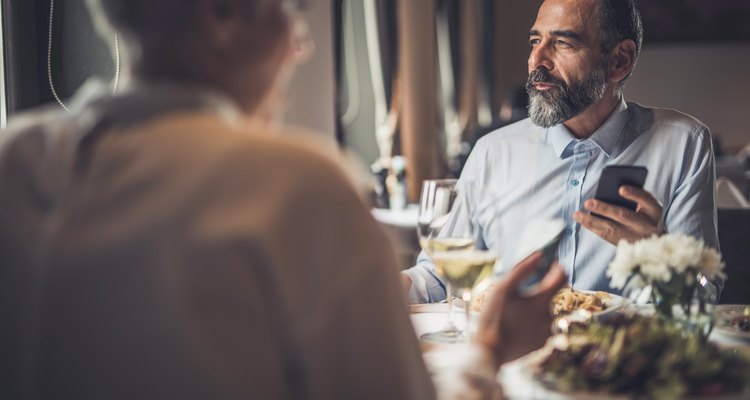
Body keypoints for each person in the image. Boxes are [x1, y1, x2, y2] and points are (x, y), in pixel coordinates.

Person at [0, 0, 566, 398]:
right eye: (292, 12)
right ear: (220, 13)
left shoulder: (14, 159)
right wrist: (490, 346)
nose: (303, 45)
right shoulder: (301, 187)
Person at [403, 0, 720, 303]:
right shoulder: (491, 153)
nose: (536, 61)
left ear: (620, 61)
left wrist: (661, 256)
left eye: (563, 43)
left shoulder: (683, 145)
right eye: (535, 41)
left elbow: (703, 296)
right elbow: (438, 277)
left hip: (615, 353)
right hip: (511, 351)